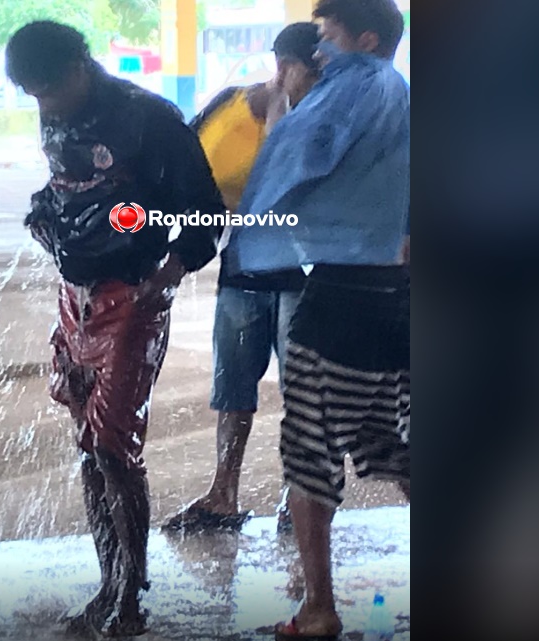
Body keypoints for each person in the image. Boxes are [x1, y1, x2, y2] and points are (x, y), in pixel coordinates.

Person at [5, 21, 225, 637]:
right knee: (88, 449)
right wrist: (44, 215)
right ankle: (108, 580)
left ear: (81, 64)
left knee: (112, 448)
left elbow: (207, 212)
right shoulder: (54, 104)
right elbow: (65, 185)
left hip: (133, 294)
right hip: (73, 298)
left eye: (49, 89)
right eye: (32, 95)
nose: (43, 106)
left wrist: (171, 273)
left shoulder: (149, 118)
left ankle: (129, 598)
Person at [222, 2, 411, 639]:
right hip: (400, 295)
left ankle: (319, 609)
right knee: (395, 444)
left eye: (328, 38)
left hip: (342, 299)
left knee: (309, 451)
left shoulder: (359, 84)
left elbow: (303, 155)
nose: (320, 52)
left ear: (365, 39)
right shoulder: (404, 96)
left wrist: (278, 106)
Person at [165, 22, 322, 533]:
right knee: (232, 386)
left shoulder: (321, 121)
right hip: (244, 264)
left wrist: (285, 117)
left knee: (303, 393)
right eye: (312, 74)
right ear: (284, 66)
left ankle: (297, 500)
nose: (321, 86)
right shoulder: (228, 104)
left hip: (306, 272)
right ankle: (222, 493)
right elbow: (183, 168)